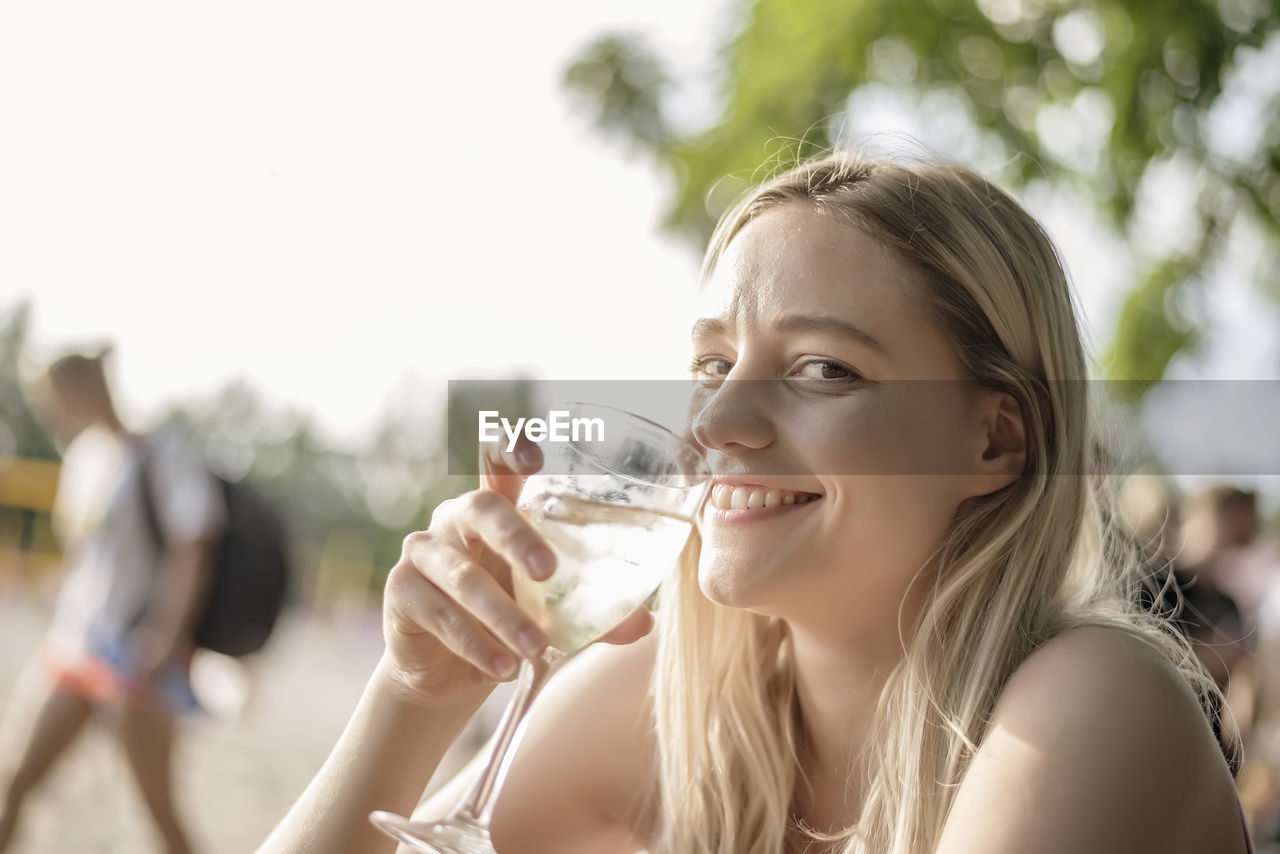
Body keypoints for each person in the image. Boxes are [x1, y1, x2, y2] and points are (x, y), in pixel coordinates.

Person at [262, 152, 1252, 853]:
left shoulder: (1096, 698)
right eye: (711, 363)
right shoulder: (660, 697)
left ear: (993, 440)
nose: (715, 421)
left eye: (822, 367)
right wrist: (414, 696)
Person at [0, 349, 223, 853]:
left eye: (53, 397)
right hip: (75, 646)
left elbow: (193, 551)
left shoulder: (164, 449)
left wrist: (163, 641)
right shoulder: (83, 457)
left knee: (159, 817)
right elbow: (90, 558)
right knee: (13, 783)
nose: (50, 411)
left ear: (82, 384)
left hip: (136, 657)